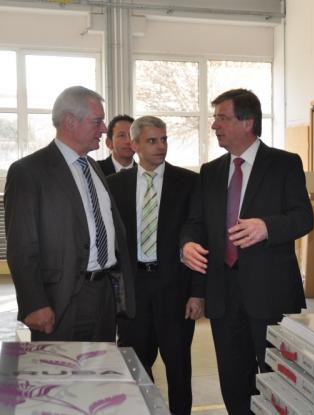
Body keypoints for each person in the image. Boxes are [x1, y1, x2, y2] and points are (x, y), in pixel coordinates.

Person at [180, 88, 313, 415]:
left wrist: (267, 226)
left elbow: (303, 218)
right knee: (233, 379)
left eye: (222, 118)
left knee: (276, 377)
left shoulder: (284, 164)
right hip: (223, 295)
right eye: (215, 119)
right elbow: (195, 222)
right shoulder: (210, 171)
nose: (215, 125)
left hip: (271, 293)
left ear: (248, 122)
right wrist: (187, 244)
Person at [4, 85, 135, 341]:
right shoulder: (29, 171)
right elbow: (21, 246)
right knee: (60, 367)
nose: (104, 129)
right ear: (70, 121)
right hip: (60, 299)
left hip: (104, 294)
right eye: (97, 121)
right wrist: (34, 303)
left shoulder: (93, 167)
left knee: (100, 364)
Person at [107, 116, 204, 415]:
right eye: (152, 141)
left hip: (174, 288)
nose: (161, 146)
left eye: (164, 139)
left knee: (178, 366)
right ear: (134, 144)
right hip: (133, 289)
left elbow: (199, 235)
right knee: (135, 364)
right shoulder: (115, 185)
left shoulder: (188, 182)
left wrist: (198, 293)